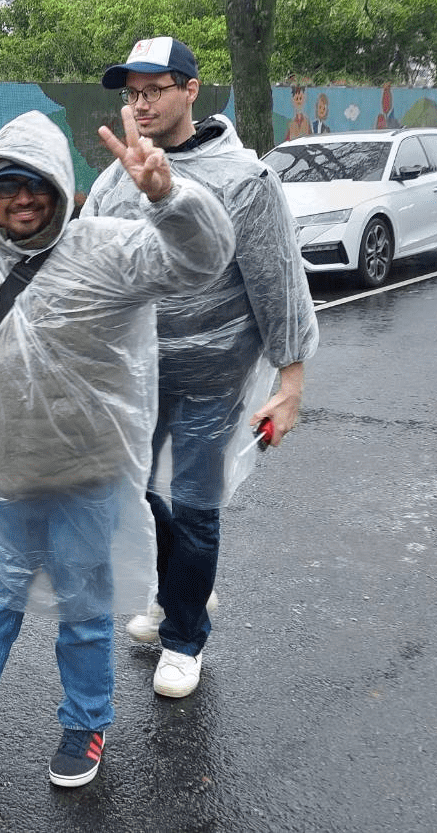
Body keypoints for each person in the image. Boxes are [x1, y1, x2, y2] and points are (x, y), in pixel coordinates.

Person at [0, 108, 235, 798]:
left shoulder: (106, 247)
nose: (21, 197)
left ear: (59, 185)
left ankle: (84, 725)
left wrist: (168, 197)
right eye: (3, 184)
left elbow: (201, 260)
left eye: (34, 182)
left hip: (84, 478)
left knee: (83, 613)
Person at [83, 36, 319, 700]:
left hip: (210, 378)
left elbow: (275, 283)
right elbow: (86, 272)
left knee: (193, 505)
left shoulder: (244, 179)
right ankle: (181, 581)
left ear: (191, 88)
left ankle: (182, 636)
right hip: (134, 371)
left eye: (155, 89)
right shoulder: (112, 178)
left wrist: (290, 384)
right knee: (121, 493)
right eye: (132, 93)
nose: (142, 103)